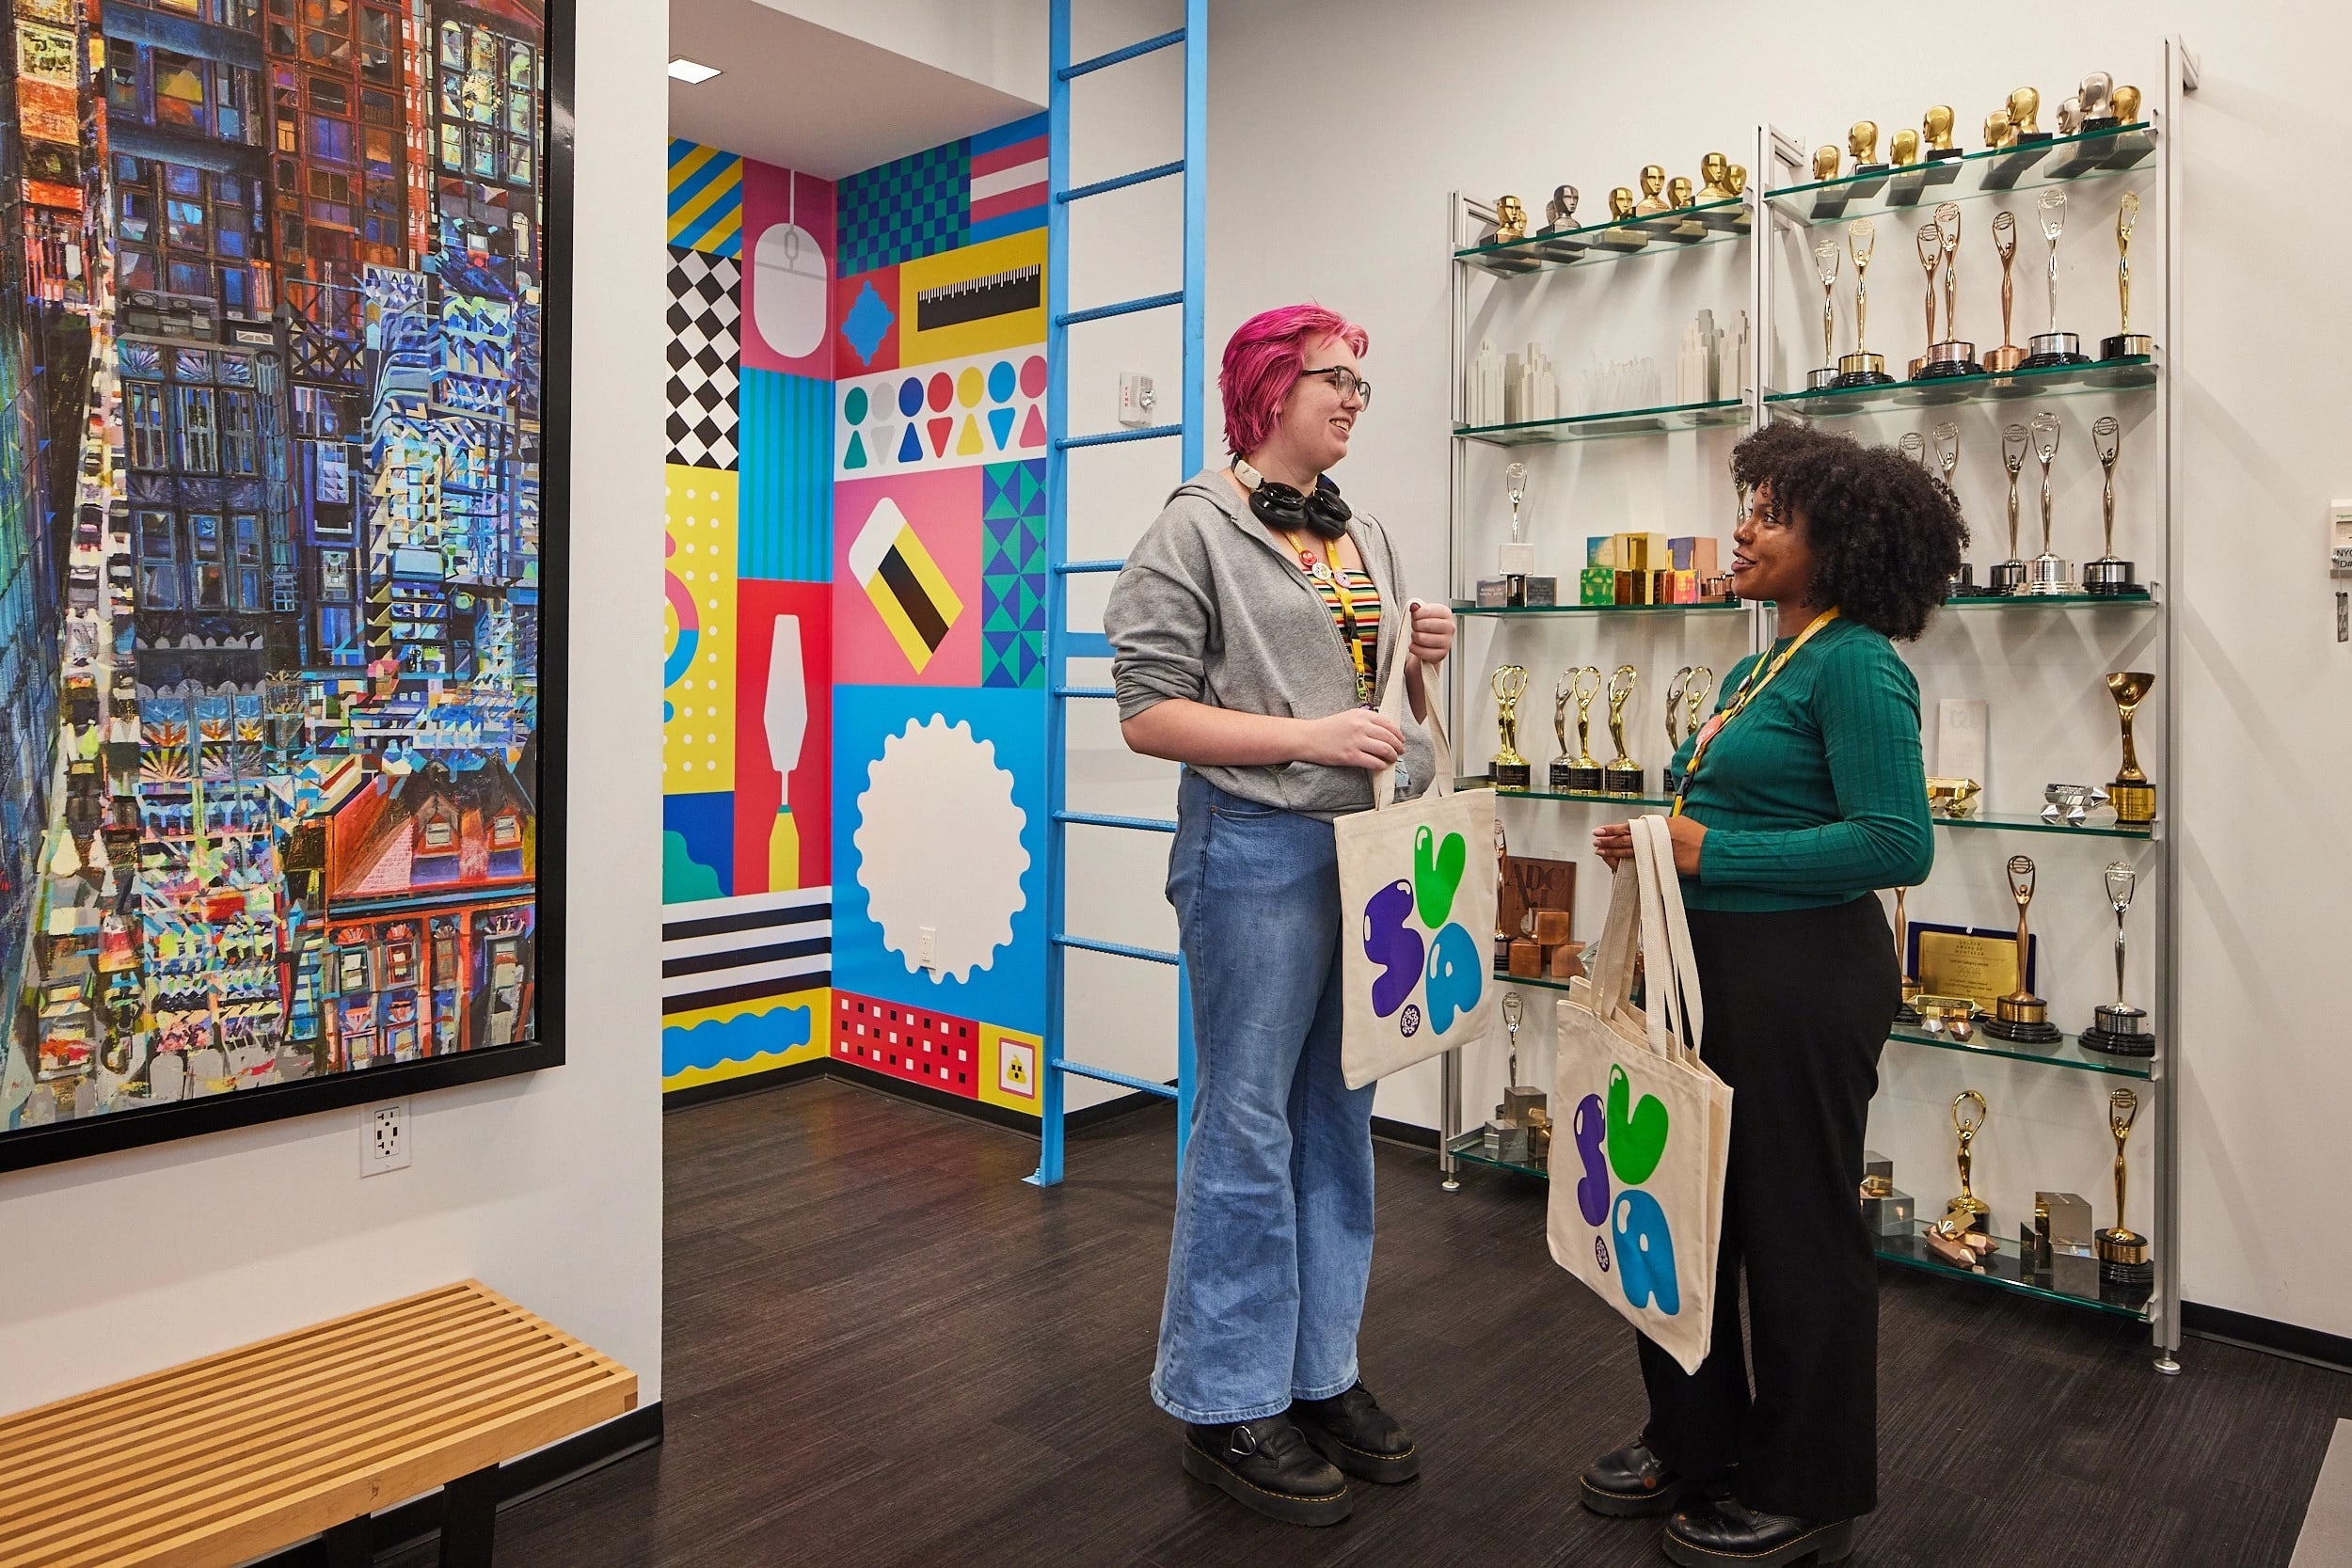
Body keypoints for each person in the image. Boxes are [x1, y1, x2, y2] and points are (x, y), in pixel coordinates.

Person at [1582, 421, 1959, 1568]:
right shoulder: (1763, 664)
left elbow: (1896, 841)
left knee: (1796, 1231)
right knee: (1681, 1212)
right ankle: (1693, 1440)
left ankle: (1804, 1484)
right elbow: (1741, 812)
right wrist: (1662, 844)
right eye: (1746, 506)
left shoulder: (1857, 663)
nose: (1741, 529)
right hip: (1709, 970)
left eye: (1770, 516)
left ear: (1836, 544)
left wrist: (1710, 852)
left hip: (1802, 979)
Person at [1102, 304, 1454, 1528]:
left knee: (1337, 1113)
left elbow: (1379, 707)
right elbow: (1146, 712)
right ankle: (1225, 1398)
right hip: (1252, 850)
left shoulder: (1366, 532)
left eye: (1361, 381)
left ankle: (1319, 1369)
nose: (1353, 397)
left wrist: (1420, 661)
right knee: (1248, 1121)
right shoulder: (1191, 528)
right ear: (1266, 387)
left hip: (1364, 850)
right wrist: (1307, 735)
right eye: (1332, 377)